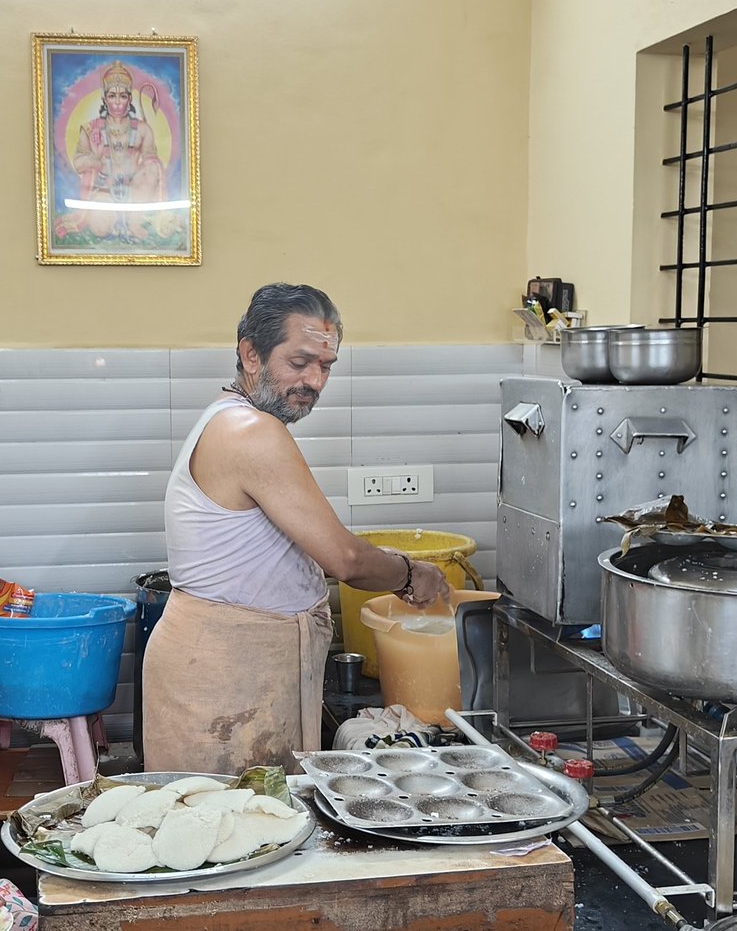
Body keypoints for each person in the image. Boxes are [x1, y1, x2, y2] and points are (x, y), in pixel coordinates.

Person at [142, 283, 448, 774]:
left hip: (235, 667)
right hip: (224, 674)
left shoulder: (232, 421)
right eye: (300, 362)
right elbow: (344, 561)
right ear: (251, 354)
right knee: (229, 834)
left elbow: (278, 549)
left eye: (325, 367)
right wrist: (412, 574)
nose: (316, 381)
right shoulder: (251, 432)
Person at [58, 60, 169, 242]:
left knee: (153, 168)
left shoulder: (143, 129)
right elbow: (78, 164)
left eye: (123, 96)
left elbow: (152, 165)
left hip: (134, 192)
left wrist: (144, 166)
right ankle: (114, 221)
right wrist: (96, 157)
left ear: (130, 99)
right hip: (103, 192)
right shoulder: (90, 129)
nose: (117, 102)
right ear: (104, 99)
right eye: (112, 96)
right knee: (99, 229)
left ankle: (134, 221)